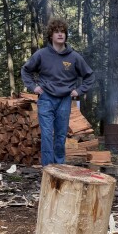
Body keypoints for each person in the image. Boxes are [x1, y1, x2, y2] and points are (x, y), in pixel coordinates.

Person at [20, 18, 94, 166]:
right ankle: (48, 169)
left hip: (65, 100)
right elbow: (25, 70)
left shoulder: (74, 57)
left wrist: (78, 91)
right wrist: (34, 87)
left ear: (66, 35)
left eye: (63, 32)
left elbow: (89, 75)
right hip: (46, 98)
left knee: (60, 136)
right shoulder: (41, 54)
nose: (60, 34)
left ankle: (59, 167)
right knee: (47, 135)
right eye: (57, 32)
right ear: (51, 35)